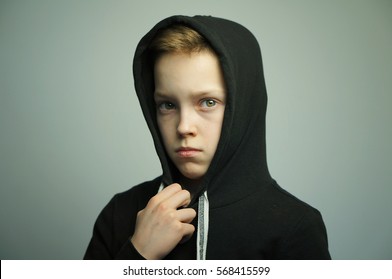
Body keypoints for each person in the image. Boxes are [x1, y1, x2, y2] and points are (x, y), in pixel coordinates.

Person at [84, 15, 331, 260]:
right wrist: (139, 254)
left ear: (243, 106)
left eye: (208, 102)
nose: (184, 127)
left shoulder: (294, 226)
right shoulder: (122, 212)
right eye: (168, 105)